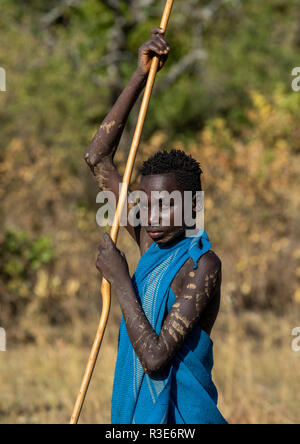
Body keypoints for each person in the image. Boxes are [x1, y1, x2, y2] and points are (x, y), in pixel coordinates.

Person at [85, 28, 227, 425]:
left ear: (193, 207)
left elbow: (155, 357)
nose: (150, 216)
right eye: (144, 204)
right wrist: (139, 76)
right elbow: (97, 157)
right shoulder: (150, 240)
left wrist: (120, 280)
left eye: (166, 206)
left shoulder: (203, 267)